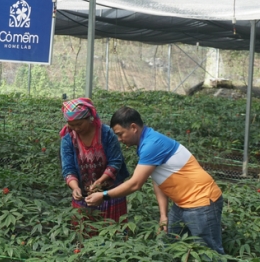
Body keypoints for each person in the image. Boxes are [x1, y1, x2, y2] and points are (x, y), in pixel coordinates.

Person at [85, 106, 225, 254]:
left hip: (201, 202)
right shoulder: (146, 142)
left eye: (120, 134)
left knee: (208, 252)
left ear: (133, 127)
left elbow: (135, 184)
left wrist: (103, 195)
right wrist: (163, 215)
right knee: (170, 245)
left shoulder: (152, 144)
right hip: (182, 203)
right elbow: (158, 179)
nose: (119, 139)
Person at [60, 98, 130, 225]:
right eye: (71, 124)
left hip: (110, 194)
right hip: (84, 197)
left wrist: (99, 182)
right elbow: (68, 168)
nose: (76, 128)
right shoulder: (68, 140)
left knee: (113, 234)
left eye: (79, 124)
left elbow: (115, 161)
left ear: (89, 118)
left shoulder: (107, 133)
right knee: (83, 234)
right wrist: (75, 188)